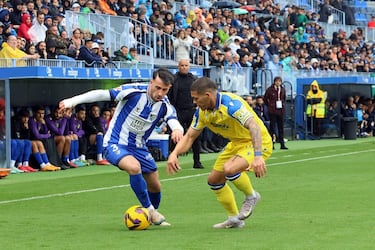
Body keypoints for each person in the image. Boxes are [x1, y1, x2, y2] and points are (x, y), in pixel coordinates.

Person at [59, 68, 184, 226]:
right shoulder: (133, 92)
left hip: (139, 147)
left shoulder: (164, 105)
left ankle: (149, 216)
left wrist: (178, 130)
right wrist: (72, 101)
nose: (160, 93)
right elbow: (101, 94)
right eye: (157, 88)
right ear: (151, 82)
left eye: (164, 90)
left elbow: (173, 120)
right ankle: (150, 210)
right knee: (134, 167)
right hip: (114, 143)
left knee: (155, 185)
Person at [167, 77, 272, 229]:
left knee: (229, 169)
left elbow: (254, 126)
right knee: (214, 180)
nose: (194, 102)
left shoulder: (231, 105)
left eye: (196, 99)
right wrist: (174, 154)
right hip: (236, 144)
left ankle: (251, 196)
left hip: (257, 141)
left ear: (208, 95)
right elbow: (190, 136)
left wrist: (258, 156)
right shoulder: (201, 113)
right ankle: (234, 219)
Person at [168, 59, 204, 169]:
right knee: (175, 137)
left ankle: (197, 161)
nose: (184, 67)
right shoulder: (174, 79)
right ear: (178, 66)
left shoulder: (194, 79)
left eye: (186, 65)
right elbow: (169, 96)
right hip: (177, 111)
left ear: (189, 67)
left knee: (195, 136)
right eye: (182, 65)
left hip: (191, 111)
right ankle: (174, 160)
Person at [263, 76, 288, 149]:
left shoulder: (283, 89)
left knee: (281, 128)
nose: (278, 83)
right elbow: (265, 99)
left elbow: (284, 98)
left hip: (280, 110)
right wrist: (270, 106)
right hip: (272, 111)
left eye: (279, 81)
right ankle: (272, 144)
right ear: (274, 82)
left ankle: (282, 144)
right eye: (277, 81)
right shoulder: (270, 90)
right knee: (272, 128)